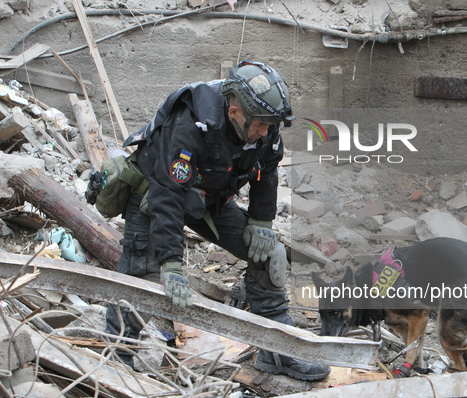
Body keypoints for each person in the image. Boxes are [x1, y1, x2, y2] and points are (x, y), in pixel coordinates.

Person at [103, 60, 330, 381]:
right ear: (234, 112)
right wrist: (171, 264)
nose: (267, 132)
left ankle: (276, 352)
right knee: (142, 273)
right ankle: (117, 355)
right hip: (155, 192)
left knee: (269, 256)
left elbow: (268, 170)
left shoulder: (266, 119)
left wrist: (261, 222)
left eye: (271, 125)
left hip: (208, 194)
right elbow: (167, 195)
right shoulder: (188, 126)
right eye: (261, 125)